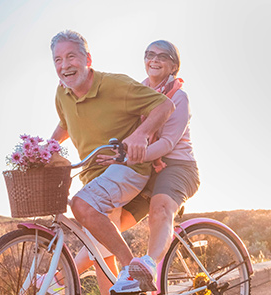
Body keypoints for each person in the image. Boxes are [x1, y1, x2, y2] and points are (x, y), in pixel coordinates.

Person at [47, 30, 175, 293]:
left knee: (81, 204)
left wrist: (141, 135)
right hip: (94, 176)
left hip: (126, 168)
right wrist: (47, 148)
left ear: (88, 59)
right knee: (101, 258)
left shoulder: (116, 85)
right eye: (58, 60)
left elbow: (164, 106)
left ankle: (132, 268)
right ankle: (130, 283)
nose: (64, 65)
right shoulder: (62, 94)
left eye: (71, 56)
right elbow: (66, 124)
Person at [78, 40, 200, 294]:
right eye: (149, 54)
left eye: (162, 56)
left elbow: (166, 144)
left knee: (160, 208)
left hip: (177, 166)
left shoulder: (179, 97)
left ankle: (146, 265)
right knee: (107, 224)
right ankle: (60, 277)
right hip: (144, 168)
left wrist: (128, 158)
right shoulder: (139, 89)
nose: (154, 60)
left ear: (173, 66)